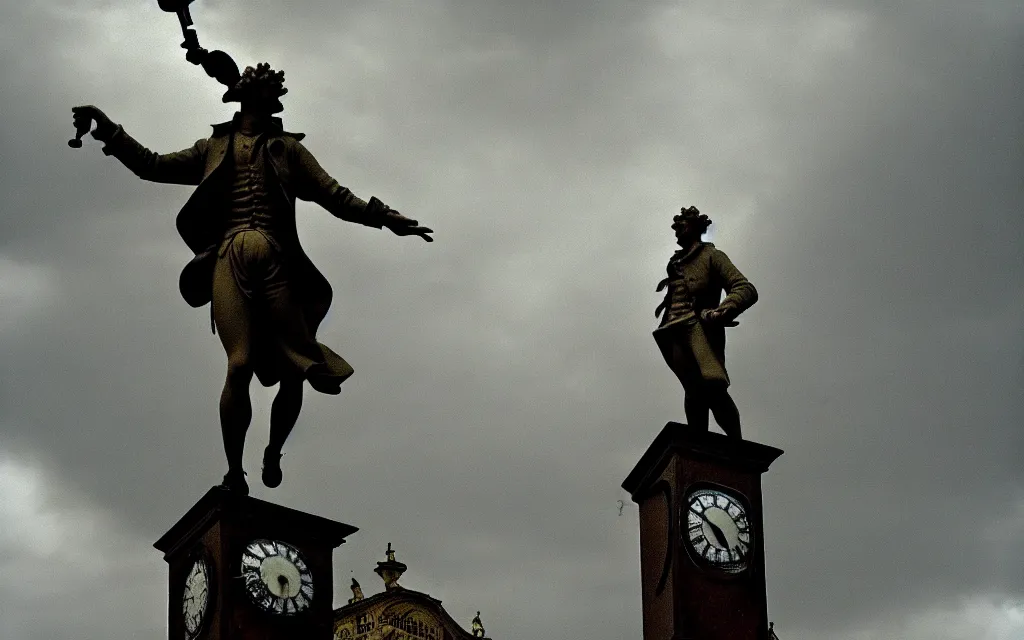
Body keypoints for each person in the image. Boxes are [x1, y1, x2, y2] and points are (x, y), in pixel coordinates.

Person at [72, 63, 432, 494]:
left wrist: (387, 218)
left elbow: (336, 196)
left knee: (296, 367)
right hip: (229, 258)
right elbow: (152, 164)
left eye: (263, 96)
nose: (257, 102)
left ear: (270, 102)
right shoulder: (214, 147)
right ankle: (234, 472)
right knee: (239, 363)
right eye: (252, 94)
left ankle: (273, 451)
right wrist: (109, 130)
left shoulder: (288, 151)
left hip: (278, 262)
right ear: (241, 99)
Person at [654, 206, 756, 438]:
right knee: (692, 391)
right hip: (674, 331)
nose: (677, 229)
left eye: (682, 224)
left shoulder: (712, 256)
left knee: (713, 388)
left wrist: (724, 310)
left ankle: (736, 448)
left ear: (696, 227)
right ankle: (697, 443)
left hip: (700, 330)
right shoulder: (676, 264)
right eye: (675, 226)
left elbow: (745, 288)